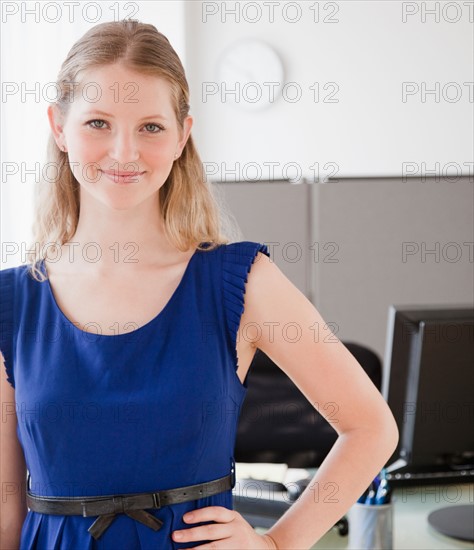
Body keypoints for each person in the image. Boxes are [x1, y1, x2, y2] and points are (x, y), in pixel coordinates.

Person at [0, 19, 399, 550]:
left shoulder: (239, 281)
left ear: (183, 134)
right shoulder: (12, 302)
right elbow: (7, 503)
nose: (123, 152)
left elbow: (372, 428)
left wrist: (276, 545)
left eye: (150, 126)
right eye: (98, 122)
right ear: (58, 126)